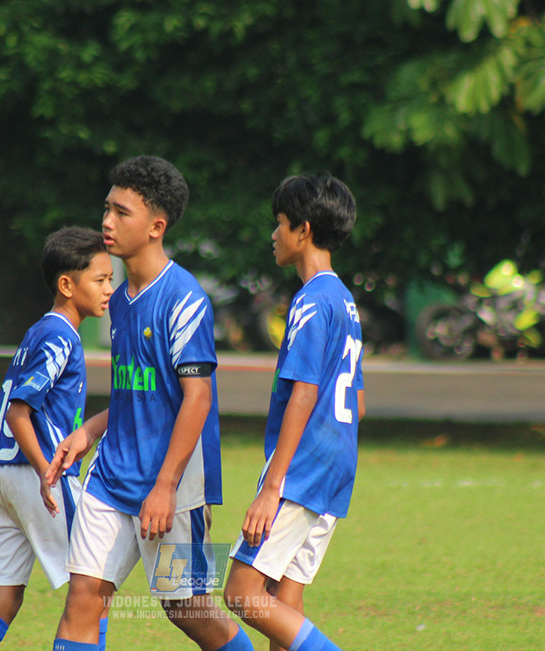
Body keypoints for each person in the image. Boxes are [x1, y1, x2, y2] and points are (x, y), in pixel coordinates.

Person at [46, 156, 251, 651]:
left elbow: (196, 398)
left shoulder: (184, 298)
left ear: (156, 226)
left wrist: (164, 486)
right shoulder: (116, 299)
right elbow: (137, 391)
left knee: (187, 608)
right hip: (111, 476)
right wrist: (90, 430)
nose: (106, 222)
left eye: (121, 212)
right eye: (106, 209)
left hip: (174, 488)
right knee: (83, 598)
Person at [222, 173, 364, 651]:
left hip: (301, 469)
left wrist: (272, 486)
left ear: (302, 230)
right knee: (286, 595)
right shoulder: (345, 302)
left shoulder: (310, 302)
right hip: (335, 463)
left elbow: (304, 391)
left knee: (242, 594)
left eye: (279, 223)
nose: (273, 234)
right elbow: (357, 400)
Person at [0, 227, 114, 651]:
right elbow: (18, 411)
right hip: (37, 475)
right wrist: (47, 471)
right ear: (67, 284)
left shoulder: (39, 330)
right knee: (97, 585)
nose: (109, 290)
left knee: (3, 595)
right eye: (100, 280)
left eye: (110, 279)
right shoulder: (62, 335)